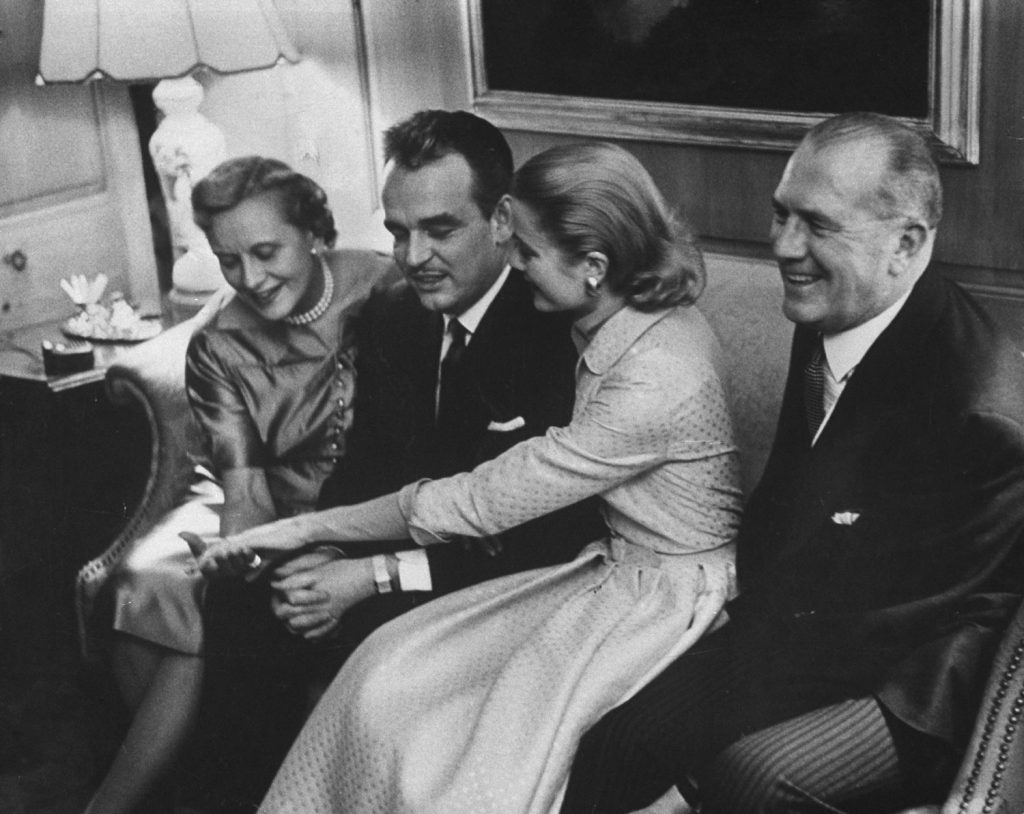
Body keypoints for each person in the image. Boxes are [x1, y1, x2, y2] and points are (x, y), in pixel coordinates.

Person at [192, 140, 743, 814]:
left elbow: (483, 506)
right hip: (602, 571)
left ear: (594, 265)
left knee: (460, 751)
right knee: (369, 664)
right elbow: (379, 472)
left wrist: (328, 546)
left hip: (655, 598)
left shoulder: (646, 369)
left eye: (527, 251)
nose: (514, 263)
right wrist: (317, 546)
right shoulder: (592, 321)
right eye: (398, 231)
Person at [557, 112, 1024, 814]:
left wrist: (690, 787)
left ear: (906, 243)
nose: (784, 245)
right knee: (617, 740)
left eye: (817, 224)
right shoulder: (837, 312)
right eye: (780, 215)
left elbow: (890, 624)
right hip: (817, 629)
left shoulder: (978, 407)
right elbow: (796, 518)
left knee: (749, 779)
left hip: (920, 682)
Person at [81, 156, 389, 814]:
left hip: (377, 514)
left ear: (313, 229)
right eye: (228, 261)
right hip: (276, 513)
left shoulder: (387, 288)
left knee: (214, 641)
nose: (250, 279)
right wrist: (250, 557)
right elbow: (244, 491)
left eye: (266, 251)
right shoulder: (218, 344)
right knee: (216, 607)